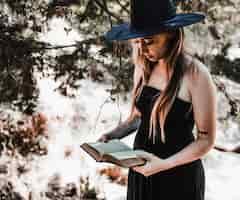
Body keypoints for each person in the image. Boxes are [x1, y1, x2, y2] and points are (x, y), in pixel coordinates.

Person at [97, 0, 217, 199]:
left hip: (178, 177)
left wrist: (164, 164)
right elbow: (137, 117)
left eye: (149, 41)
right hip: (141, 172)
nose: (142, 49)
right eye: (138, 41)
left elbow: (206, 139)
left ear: (170, 33)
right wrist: (111, 137)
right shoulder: (143, 67)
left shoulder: (196, 74)